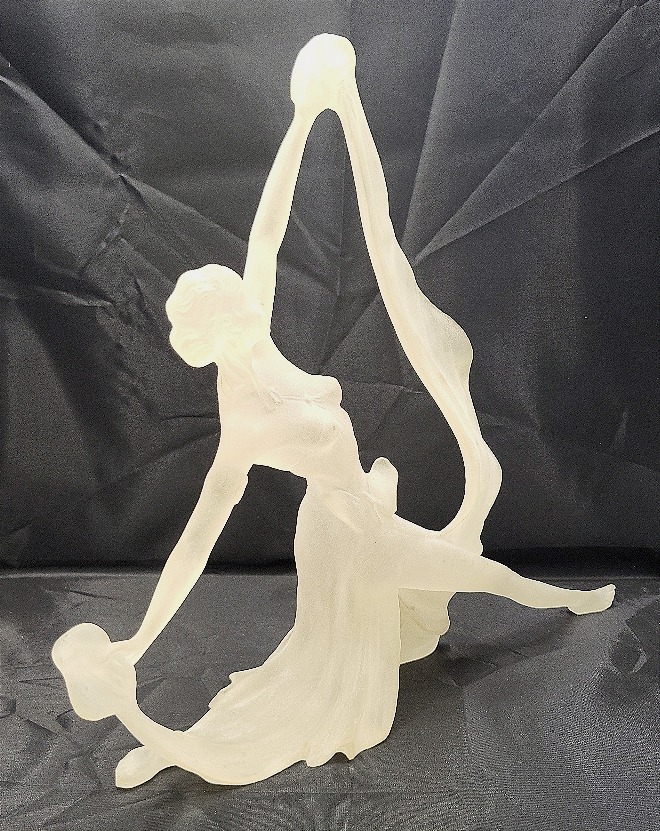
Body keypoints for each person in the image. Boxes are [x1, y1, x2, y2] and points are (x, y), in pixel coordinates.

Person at [52, 35, 615, 788]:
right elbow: (195, 543)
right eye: (235, 306)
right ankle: (173, 746)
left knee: (464, 572)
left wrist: (306, 118)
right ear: (216, 335)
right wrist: (138, 640)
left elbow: (268, 230)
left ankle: (567, 598)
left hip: (357, 510)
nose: (252, 304)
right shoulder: (243, 423)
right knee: (465, 576)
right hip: (343, 534)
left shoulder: (257, 337)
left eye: (242, 297)